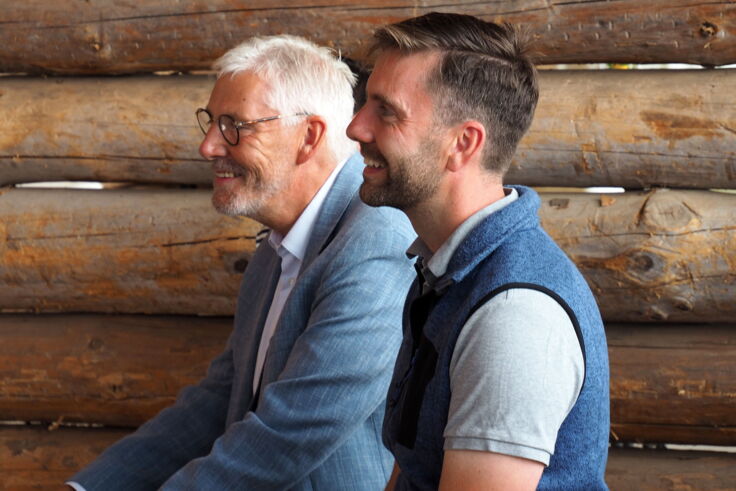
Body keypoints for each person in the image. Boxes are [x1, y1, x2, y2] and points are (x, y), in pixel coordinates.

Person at [70, 35, 415, 490]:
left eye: (235, 126)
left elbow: (289, 435)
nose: (209, 146)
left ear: (309, 137)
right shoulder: (276, 245)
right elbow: (219, 400)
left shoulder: (377, 242)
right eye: (211, 122)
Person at [346, 12, 610, 490]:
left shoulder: (513, 315)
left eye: (386, 111)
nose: (356, 128)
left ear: (463, 143)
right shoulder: (446, 267)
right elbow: (413, 468)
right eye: (366, 103)